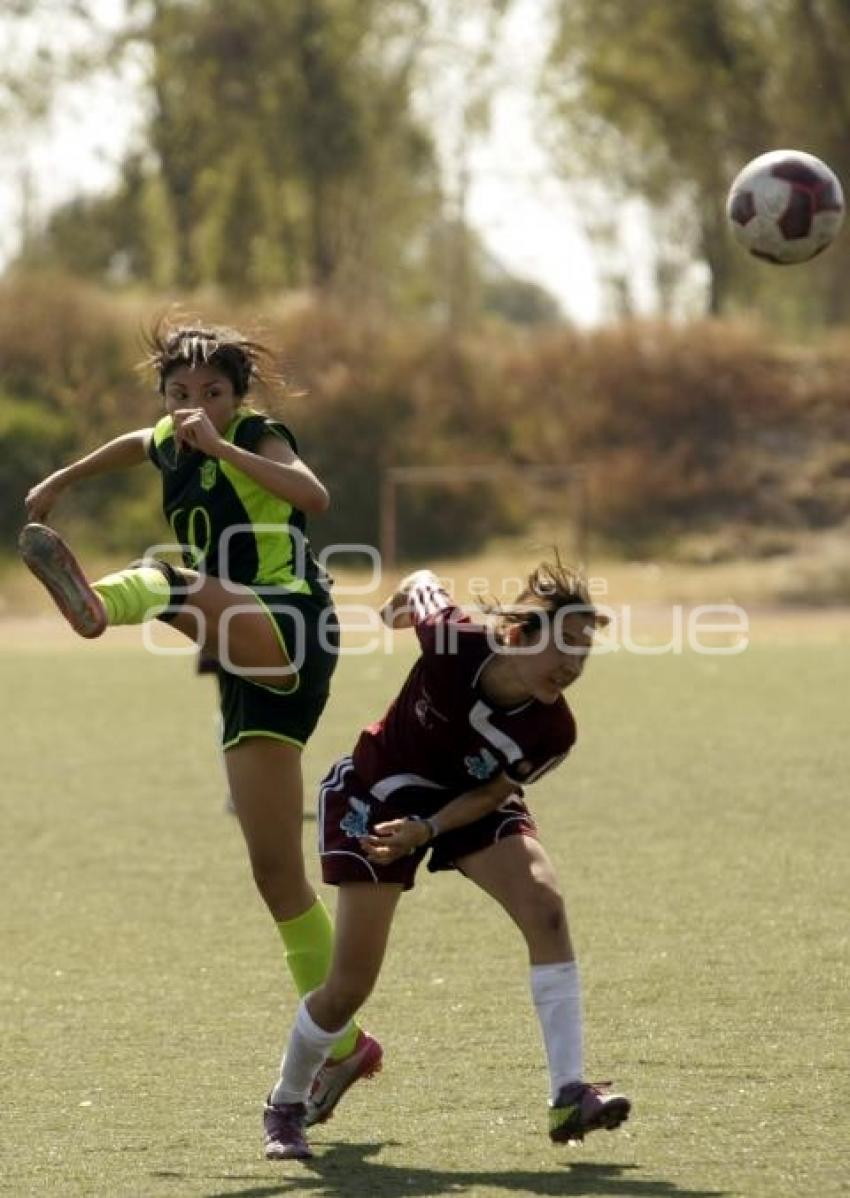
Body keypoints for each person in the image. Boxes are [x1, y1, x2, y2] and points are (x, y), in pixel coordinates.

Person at [18, 319, 380, 1132]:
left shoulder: (255, 434)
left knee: (168, 578)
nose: (193, 408)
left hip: (291, 622)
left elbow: (314, 498)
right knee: (276, 876)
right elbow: (129, 445)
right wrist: (61, 480)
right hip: (241, 659)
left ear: (236, 396)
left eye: (211, 393)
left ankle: (103, 606)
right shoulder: (167, 439)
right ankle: (347, 1044)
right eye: (179, 395)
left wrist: (223, 445)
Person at [262, 560, 631, 1160]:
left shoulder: (553, 730)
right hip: (377, 795)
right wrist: (395, 610)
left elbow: (493, 794)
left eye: (583, 657)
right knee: (348, 987)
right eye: (563, 647)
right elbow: (421, 580)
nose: (571, 666)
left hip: (464, 803)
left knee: (547, 908)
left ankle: (569, 1092)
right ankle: (285, 1104)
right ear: (517, 635)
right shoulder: (455, 639)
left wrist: (430, 828)